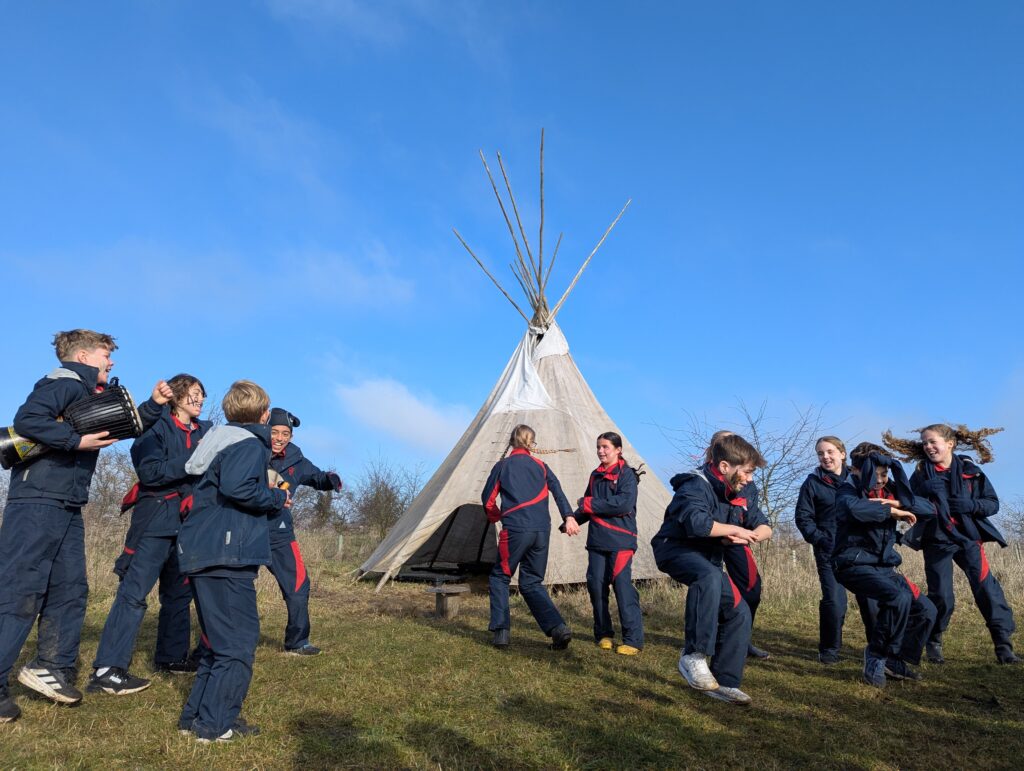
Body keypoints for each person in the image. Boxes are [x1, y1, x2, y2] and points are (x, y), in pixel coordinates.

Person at [0, 330, 120, 723]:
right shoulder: (64, 381)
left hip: (66, 503)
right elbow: (27, 419)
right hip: (37, 501)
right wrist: (74, 441)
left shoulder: (85, 390)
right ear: (83, 356)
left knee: (70, 589)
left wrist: (153, 405)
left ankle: (50, 667)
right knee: (21, 591)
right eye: (106, 355)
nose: (111, 362)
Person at [175, 380, 290, 742]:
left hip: (204, 550)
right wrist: (273, 497)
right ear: (264, 415)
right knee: (238, 642)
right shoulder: (248, 443)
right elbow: (238, 488)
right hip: (226, 554)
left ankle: (197, 717)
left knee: (216, 642)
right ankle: (215, 725)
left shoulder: (217, 439)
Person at [88, 375, 211, 696]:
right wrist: (197, 460)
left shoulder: (206, 432)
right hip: (155, 521)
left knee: (178, 596)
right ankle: (107, 670)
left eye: (202, 395)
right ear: (178, 396)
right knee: (133, 594)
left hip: (188, 525)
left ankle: (171, 657)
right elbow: (150, 472)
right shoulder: (155, 427)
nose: (199, 400)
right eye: (194, 394)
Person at [885, 424, 1018, 664]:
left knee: (987, 589)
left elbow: (992, 503)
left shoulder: (970, 470)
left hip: (968, 539)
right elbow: (907, 503)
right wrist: (922, 491)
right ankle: (934, 642)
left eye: (932, 441)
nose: (927, 446)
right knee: (942, 596)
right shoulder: (921, 474)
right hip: (937, 541)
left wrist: (971, 506)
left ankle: (1003, 646)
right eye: (924, 443)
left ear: (950, 444)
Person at [651, 433, 765, 707]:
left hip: (706, 558)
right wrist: (735, 530)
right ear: (725, 466)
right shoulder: (693, 485)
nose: (750, 478)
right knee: (709, 575)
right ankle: (693, 656)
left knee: (739, 611)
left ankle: (725, 682)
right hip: (674, 549)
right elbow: (698, 524)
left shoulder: (735, 490)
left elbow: (760, 522)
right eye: (747, 472)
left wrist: (753, 534)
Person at [832, 442, 936, 687]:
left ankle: (894, 660)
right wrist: (892, 513)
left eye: (884, 474)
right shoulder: (847, 490)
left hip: (884, 567)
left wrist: (897, 504)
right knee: (897, 598)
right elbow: (856, 510)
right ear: (856, 471)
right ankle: (876, 655)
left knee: (926, 611)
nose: (880, 480)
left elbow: (927, 508)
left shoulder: (891, 490)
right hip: (853, 565)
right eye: (875, 474)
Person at [482, 424, 574, 650]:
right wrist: (569, 516)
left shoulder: (503, 466)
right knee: (532, 582)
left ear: (512, 441)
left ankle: (501, 632)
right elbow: (558, 492)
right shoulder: (542, 466)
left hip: (515, 530)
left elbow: (488, 500)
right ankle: (558, 629)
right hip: (542, 531)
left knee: (500, 577)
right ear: (532, 442)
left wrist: (496, 518)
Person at [266, 408, 342, 656]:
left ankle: (298, 642)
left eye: (285, 433)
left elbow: (316, 477)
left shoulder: (296, 460)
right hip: (246, 529)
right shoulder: (250, 451)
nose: (279, 438)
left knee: (299, 584)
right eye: (274, 432)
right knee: (230, 588)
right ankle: (211, 647)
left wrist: (331, 479)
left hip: (279, 532)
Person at [795, 436, 877, 664]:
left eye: (830, 452)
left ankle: (878, 650)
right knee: (834, 601)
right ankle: (829, 650)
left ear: (842, 453)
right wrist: (821, 540)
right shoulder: (812, 483)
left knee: (871, 600)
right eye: (821, 454)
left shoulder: (858, 479)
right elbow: (803, 518)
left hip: (861, 552)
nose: (825, 457)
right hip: (829, 552)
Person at [562, 431, 644, 655]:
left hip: (622, 541)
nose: (601, 451)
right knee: (596, 586)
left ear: (618, 450)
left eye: (605, 447)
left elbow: (623, 505)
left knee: (622, 587)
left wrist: (588, 503)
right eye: (599, 447)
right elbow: (587, 508)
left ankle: (633, 640)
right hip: (597, 541)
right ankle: (603, 634)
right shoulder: (594, 475)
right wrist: (570, 520)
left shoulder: (627, 475)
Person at [706, 431, 773, 660]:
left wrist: (752, 534)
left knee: (752, 589)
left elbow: (759, 521)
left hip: (736, 541)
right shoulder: (703, 481)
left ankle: (741, 641)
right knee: (713, 590)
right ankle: (707, 642)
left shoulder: (748, 484)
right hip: (707, 541)